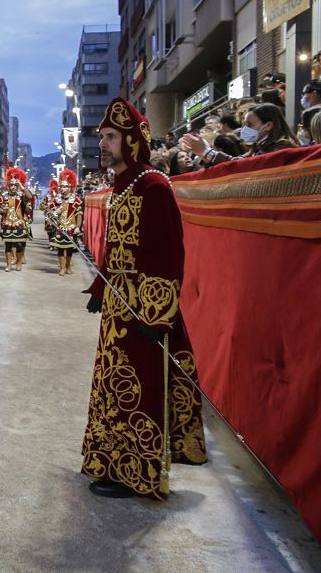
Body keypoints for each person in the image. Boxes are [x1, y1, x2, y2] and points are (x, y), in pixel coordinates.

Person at [82, 97, 207, 499]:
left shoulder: (153, 185)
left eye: (112, 137)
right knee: (114, 389)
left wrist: (156, 315)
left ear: (132, 140)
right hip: (118, 310)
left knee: (139, 389)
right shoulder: (122, 186)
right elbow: (115, 249)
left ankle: (141, 474)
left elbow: (169, 256)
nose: (103, 144)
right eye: (102, 137)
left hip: (144, 312)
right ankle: (115, 463)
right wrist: (101, 288)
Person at [181, 103, 297, 166]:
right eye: (244, 124)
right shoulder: (258, 147)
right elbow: (236, 161)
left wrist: (206, 152)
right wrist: (204, 152)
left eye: (249, 124)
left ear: (268, 125)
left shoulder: (282, 147)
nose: (244, 129)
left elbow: (246, 167)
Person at [0, 168, 32, 272]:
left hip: (19, 224)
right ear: (8, 185)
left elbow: (30, 197)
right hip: (7, 224)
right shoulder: (3, 197)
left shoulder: (21, 196)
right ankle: (8, 265)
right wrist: (2, 211)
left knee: (19, 245)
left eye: (15, 185)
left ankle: (19, 263)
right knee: (8, 245)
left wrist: (21, 186)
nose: (12, 187)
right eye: (11, 185)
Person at [48, 169, 82, 276]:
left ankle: (68, 267)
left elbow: (79, 214)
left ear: (70, 187)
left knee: (70, 249)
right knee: (60, 249)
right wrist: (55, 213)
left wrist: (78, 227)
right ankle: (62, 268)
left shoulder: (75, 200)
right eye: (62, 187)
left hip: (71, 227)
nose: (64, 189)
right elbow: (49, 214)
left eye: (66, 187)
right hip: (60, 228)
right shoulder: (56, 200)